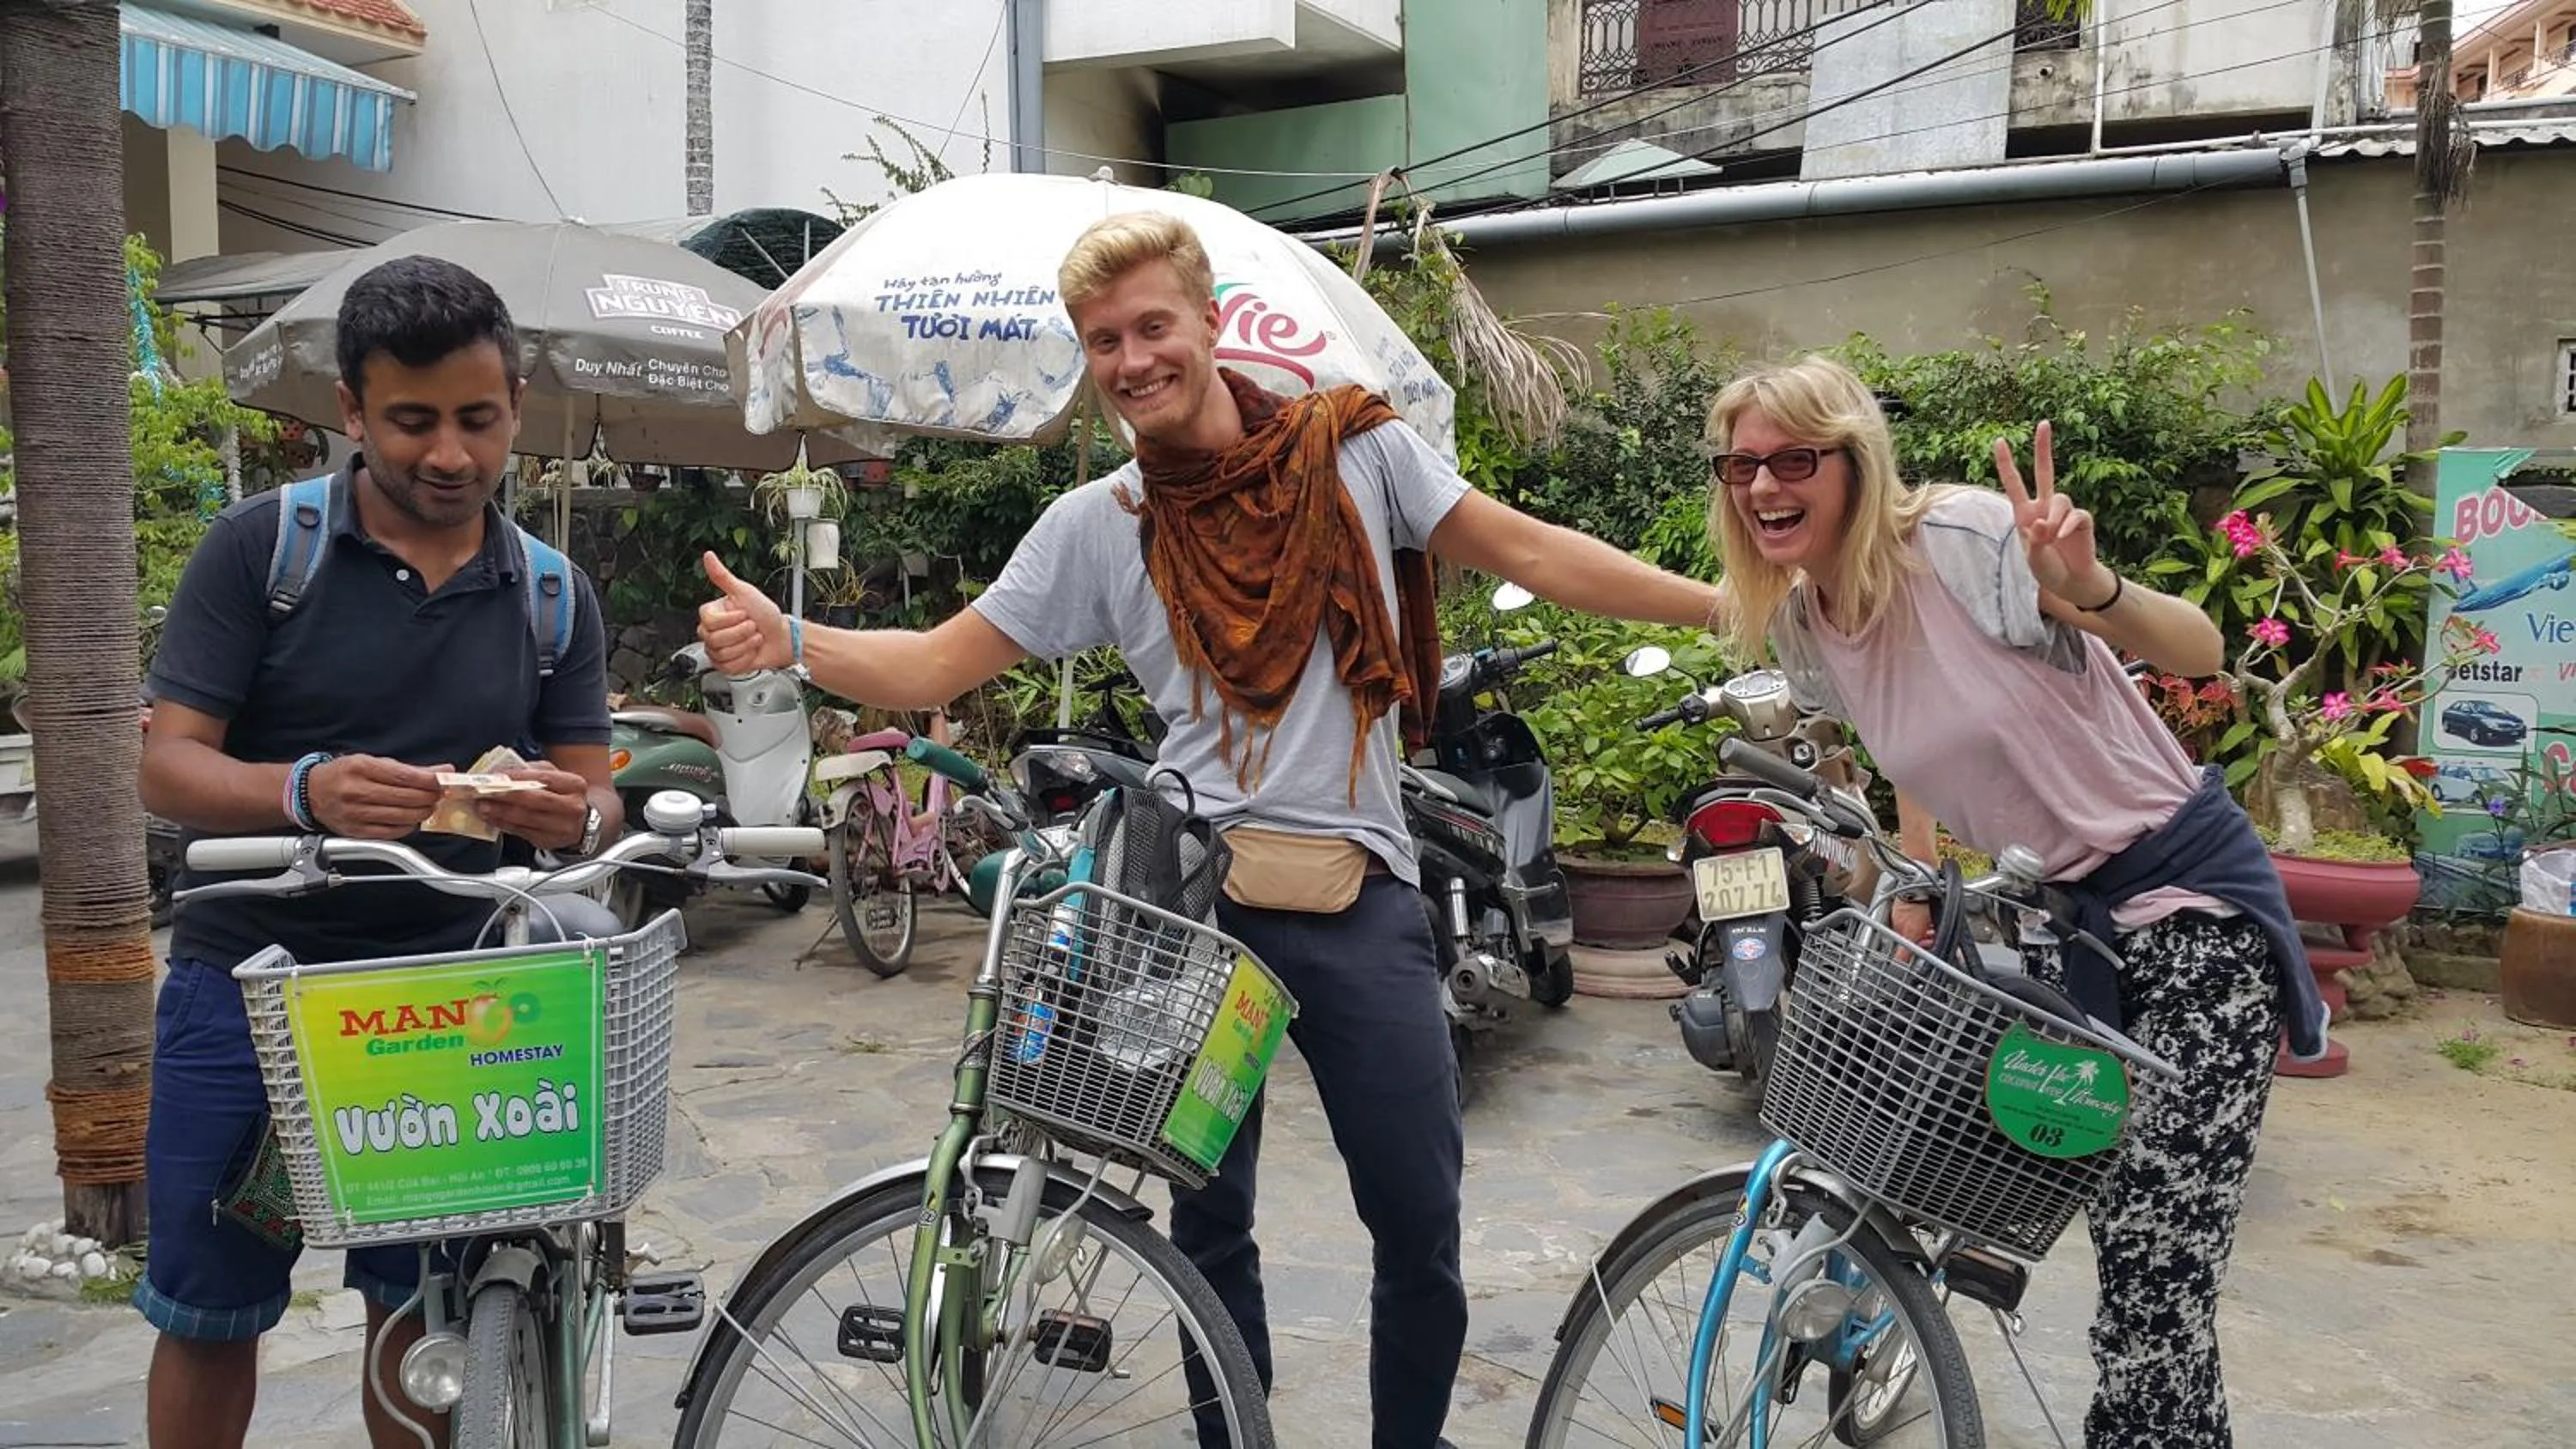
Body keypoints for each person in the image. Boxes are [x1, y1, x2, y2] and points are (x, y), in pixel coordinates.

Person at [696, 210, 1720, 1448]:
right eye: (1103, 340)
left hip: (1357, 897)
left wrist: (1723, 606)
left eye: (1152, 327)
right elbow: (933, 663)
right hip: (1192, 910)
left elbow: (1531, 549)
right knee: (1204, 1221)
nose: (1132, 360)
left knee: (1419, 1219)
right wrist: (793, 640)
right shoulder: (1100, 523)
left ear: (1210, 321)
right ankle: (1233, 1430)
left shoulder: (1356, 455)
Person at [1701, 353, 2324, 1449]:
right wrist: (1911, 877)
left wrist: (2093, 588)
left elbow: (2202, 648)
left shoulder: (1962, 538)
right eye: (1740, 465)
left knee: (2152, 1293)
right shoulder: (1806, 626)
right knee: (1946, 1167)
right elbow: (1909, 735)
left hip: (2193, 919)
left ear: (1855, 462)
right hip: (2056, 925)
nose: (1762, 486)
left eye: (1794, 459)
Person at [135, 255, 622, 1449]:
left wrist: (566, 815)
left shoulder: (550, 592)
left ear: (517, 407)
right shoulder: (264, 551)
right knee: (210, 1308)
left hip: (452, 999)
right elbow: (167, 765)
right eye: (413, 421)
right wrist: (304, 791)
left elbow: (598, 797)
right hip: (248, 988)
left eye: (477, 419)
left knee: (424, 1314)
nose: (449, 453)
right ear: (352, 411)